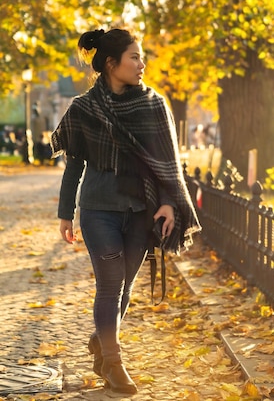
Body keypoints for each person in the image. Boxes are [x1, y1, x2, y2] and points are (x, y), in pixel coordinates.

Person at [50, 28, 201, 394]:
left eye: (141, 56)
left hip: (139, 211)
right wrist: (65, 213)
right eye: (134, 57)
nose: (141, 63)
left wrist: (167, 202)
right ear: (111, 64)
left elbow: (168, 162)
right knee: (110, 285)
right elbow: (73, 165)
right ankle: (114, 365)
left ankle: (101, 341)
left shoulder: (153, 105)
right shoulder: (84, 109)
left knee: (125, 287)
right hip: (99, 209)